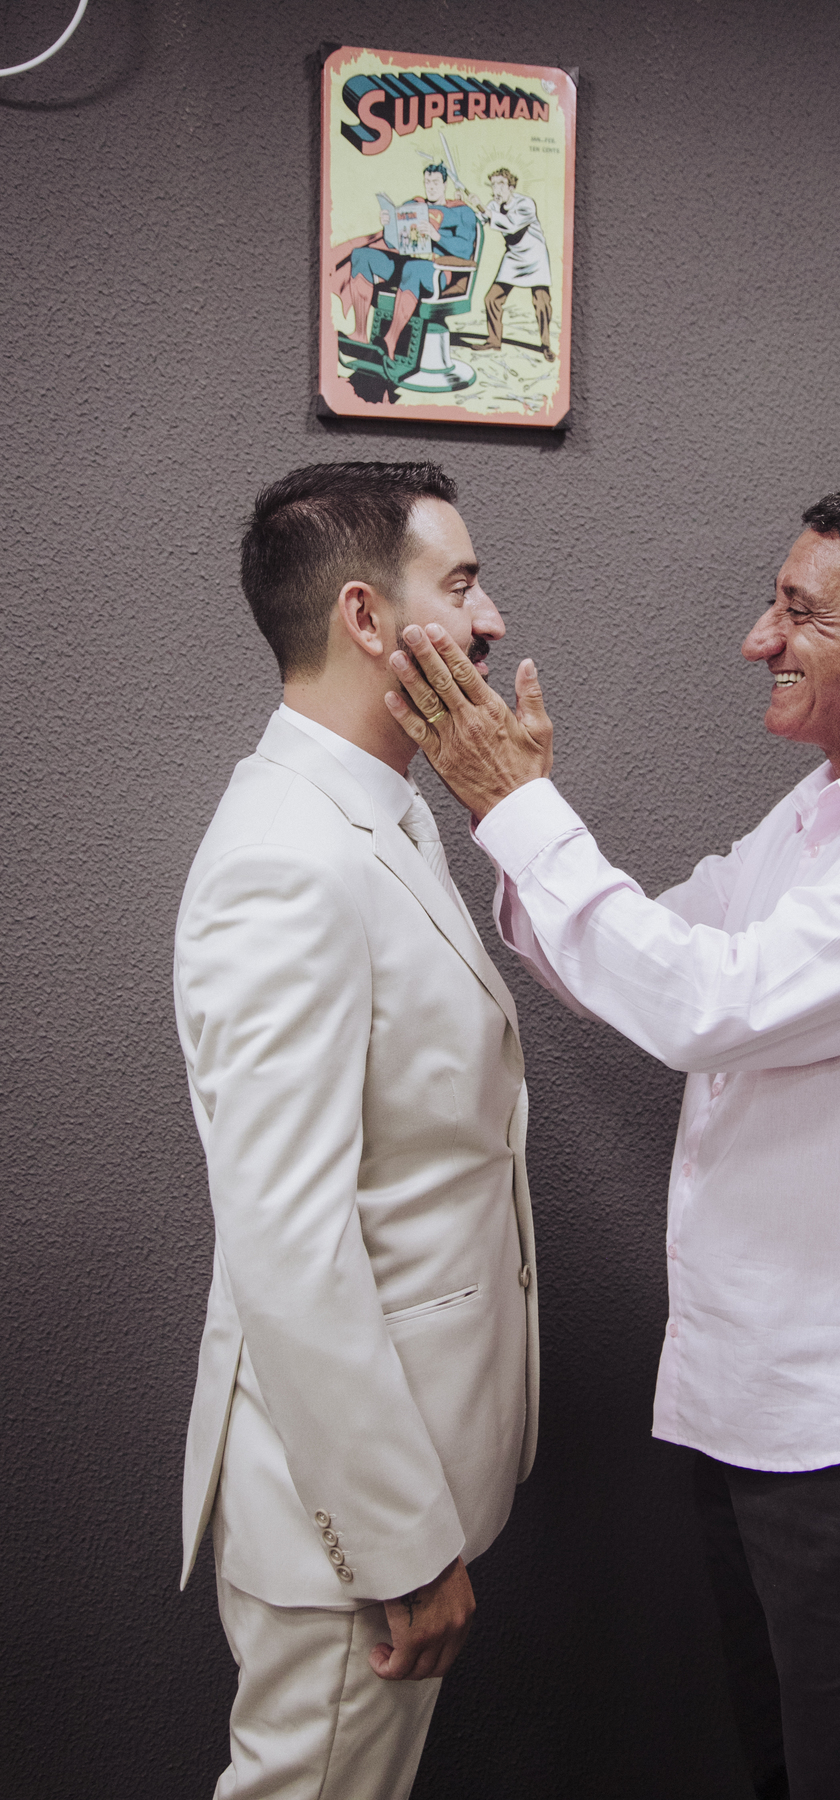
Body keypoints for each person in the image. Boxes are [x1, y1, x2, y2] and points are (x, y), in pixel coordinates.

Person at [382, 482, 840, 1799]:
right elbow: (644, 957)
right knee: (786, 1770)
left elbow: (706, 1006)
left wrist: (522, 810)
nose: (759, 640)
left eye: (798, 612)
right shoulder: (822, 809)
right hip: (757, 1396)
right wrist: (505, 814)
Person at [174, 460, 538, 1800]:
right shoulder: (290, 857)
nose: (491, 619)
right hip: (351, 1525)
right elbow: (288, 1243)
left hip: (405, 1471)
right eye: (462, 584)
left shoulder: (382, 810)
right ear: (366, 618)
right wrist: (397, 1543)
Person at [328, 164, 477, 366]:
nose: (431, 187)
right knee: (362, 255)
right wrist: (389, 225)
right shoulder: (413, 205)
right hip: (407, 260)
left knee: (412, 269)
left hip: (437, 270)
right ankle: (360, 334)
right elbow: (392, 244)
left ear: (444, 184)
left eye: (435, 182)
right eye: (427, 182)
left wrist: (437, 236)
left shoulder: (461, 212)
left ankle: (390, 341)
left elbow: (465, 250)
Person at [469, 168, 554, 360]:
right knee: (492, 298)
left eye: (501, 184)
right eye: (493, 185)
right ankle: (494, 340)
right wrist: (465, 206)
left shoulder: (526, 204)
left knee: (542, 303)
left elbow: (512, 224)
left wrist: (483, 209)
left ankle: (546, 345)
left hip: (535, 256)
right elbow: (477, 222)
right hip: (514, 257)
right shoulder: (493, 205)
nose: (496, 189)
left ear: (511, 187)